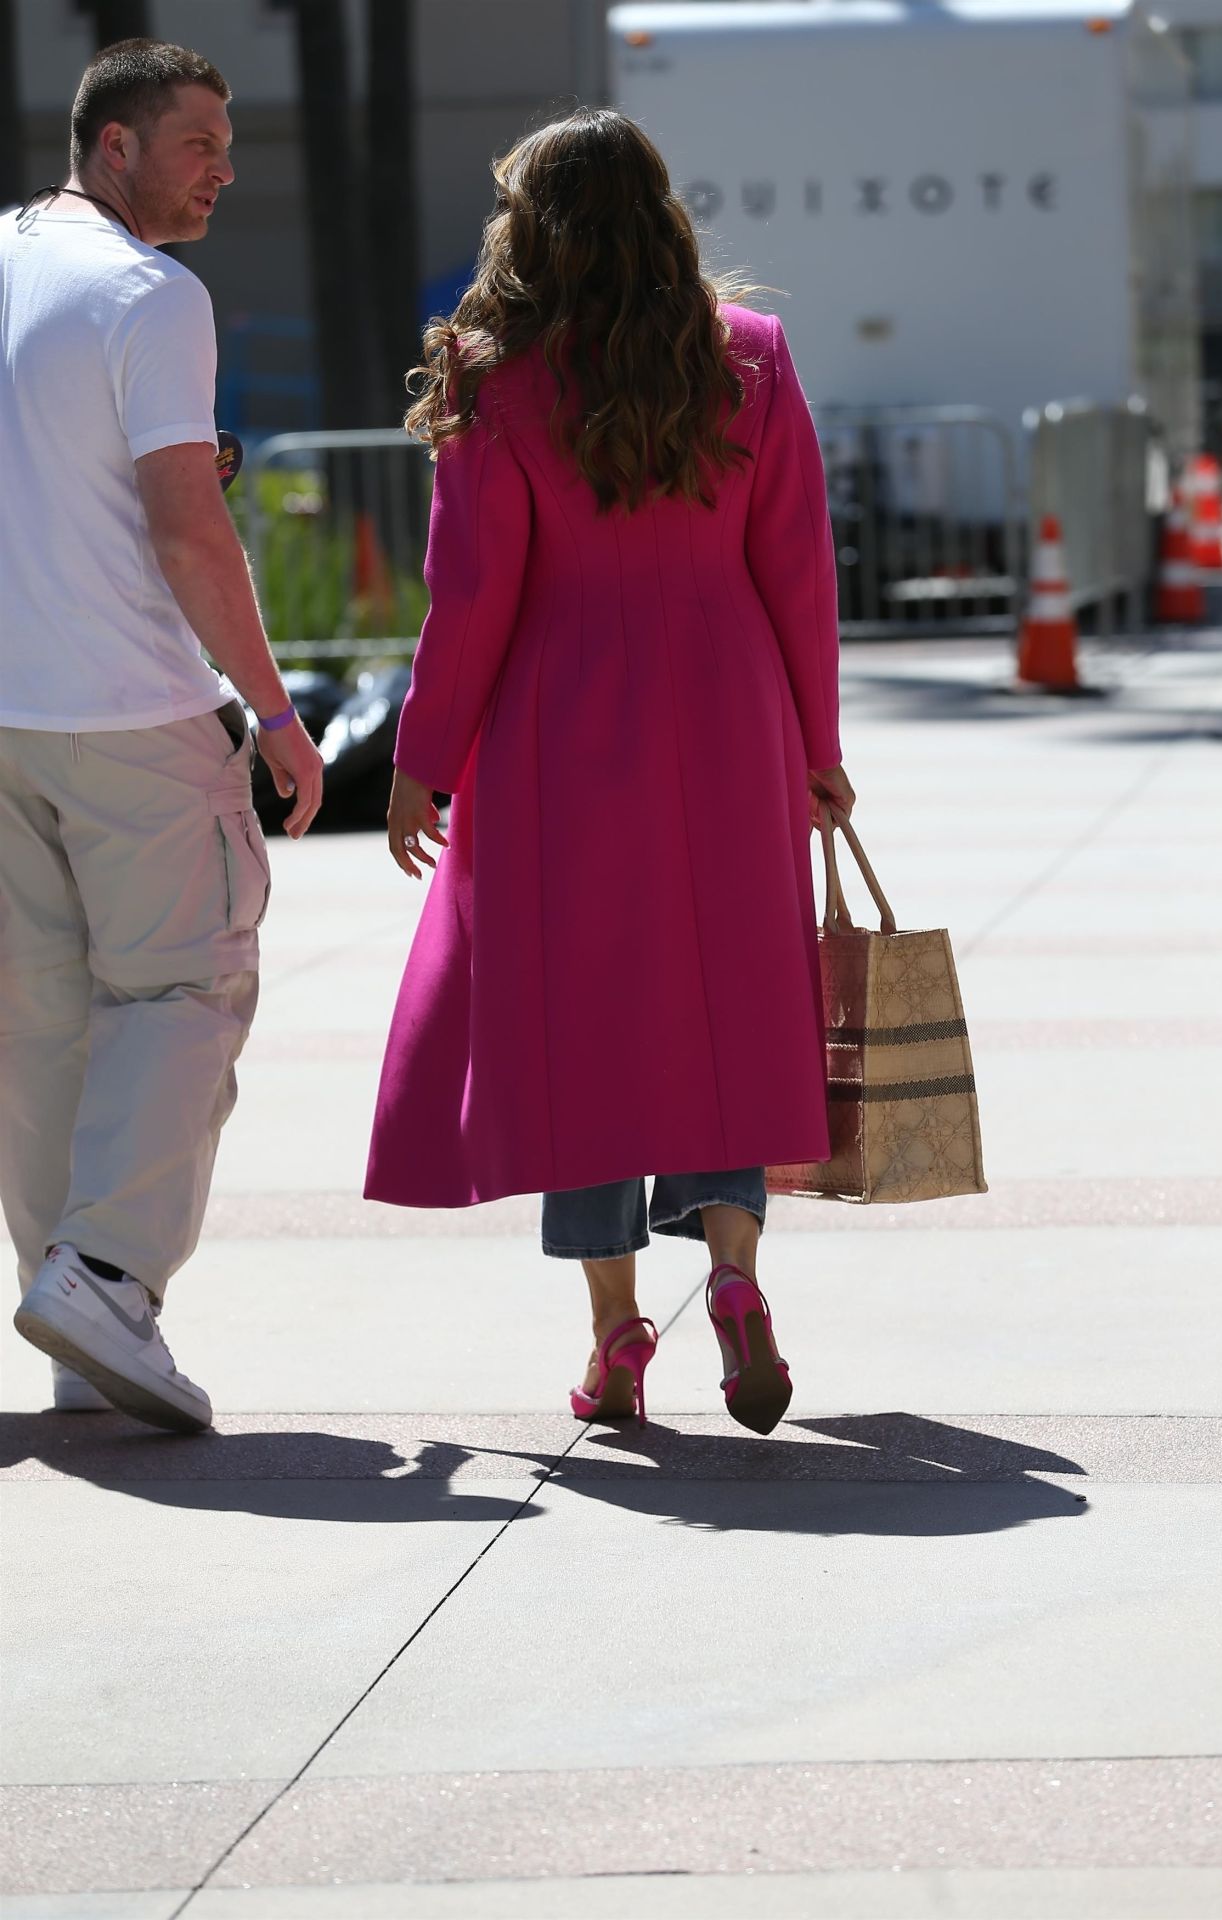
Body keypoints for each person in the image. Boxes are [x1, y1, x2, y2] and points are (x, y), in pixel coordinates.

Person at [365, 110, 853, 1437]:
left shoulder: (496, 374)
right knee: (724, 1009)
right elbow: (799, 571)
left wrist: (421, 761)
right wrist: (817, 746)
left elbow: (469, 596)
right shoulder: (746, 354)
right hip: (730, 706)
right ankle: (738, 1287)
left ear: (534, 228)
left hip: (557, 720)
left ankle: (619, 1334)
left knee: (575, 1032)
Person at [1, 39, 323, 1432]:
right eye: (198, 143)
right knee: (186, 995)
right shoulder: (149, 294)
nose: (224, 171)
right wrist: (274, 704)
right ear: (114, 145)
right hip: (128, 710)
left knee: (41, 1027)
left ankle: (75, 1319)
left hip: (6, 717)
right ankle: (110, 1282)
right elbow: (189, 527)